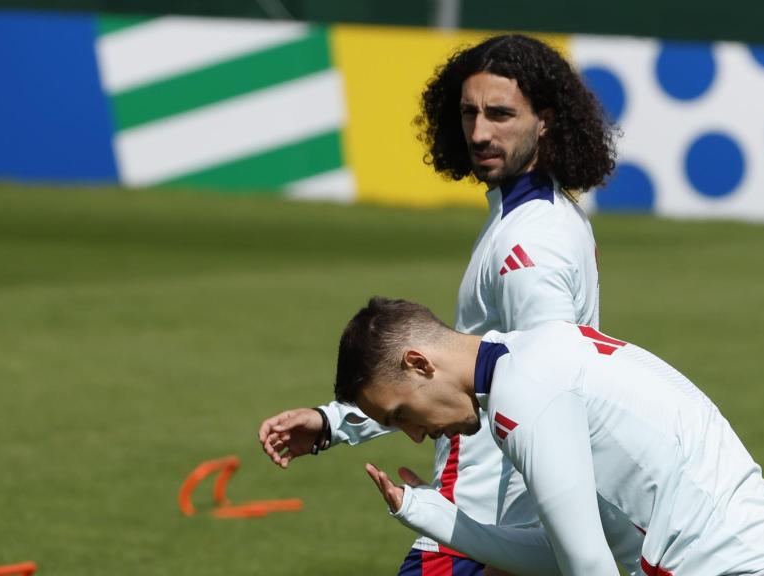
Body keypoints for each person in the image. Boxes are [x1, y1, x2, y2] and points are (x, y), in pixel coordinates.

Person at [258, 34, 643, 574]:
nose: (480, 132)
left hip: (482, 525)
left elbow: (545, 392)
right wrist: (334, 423)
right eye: (469, 113)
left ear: (546, 120)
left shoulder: (529, 246)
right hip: (502, 526)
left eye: (501, 114)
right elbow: (453, 371)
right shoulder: (535, 216)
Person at [336, 297, 764, 576]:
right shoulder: (536, 352)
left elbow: (588, 565)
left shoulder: (522, 394)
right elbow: (566, 553)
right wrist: (437, 518)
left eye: (401, 413)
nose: (415, 436)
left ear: (419, 363)